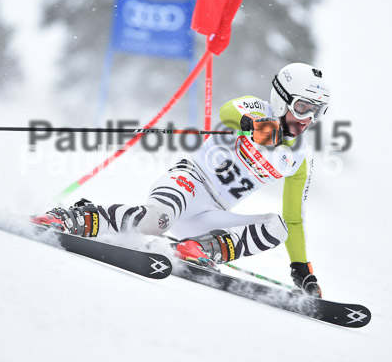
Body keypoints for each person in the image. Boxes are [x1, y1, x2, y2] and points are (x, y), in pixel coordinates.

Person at [31, 62, 330, 298]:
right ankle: (71, 218)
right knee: (154, 221)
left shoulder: (301, 157)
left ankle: (202, 250)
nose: (307, 119)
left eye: (315, 111)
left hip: (211, 215)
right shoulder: (256, 109)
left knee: (277, 227)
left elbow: (294, 220)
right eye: (302, 107)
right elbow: (229, 112)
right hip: (189, 182)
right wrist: (253, 127)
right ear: (281, 99)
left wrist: (301, 269)